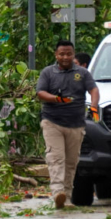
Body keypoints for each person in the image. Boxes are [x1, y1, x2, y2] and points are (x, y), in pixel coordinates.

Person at [36, 40, 99, 209]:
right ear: (56, 55)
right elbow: (40, 93)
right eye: (62, 54)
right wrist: (57, 99)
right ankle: (57, 192)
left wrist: (94, 106)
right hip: (52, 122)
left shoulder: (83, 73)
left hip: (76, 124)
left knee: (71, 162)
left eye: (69, 54)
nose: (65, 57)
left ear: (73, 54)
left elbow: (93, 90)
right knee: (56, 158)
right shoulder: (48, 73)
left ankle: (67, 197)